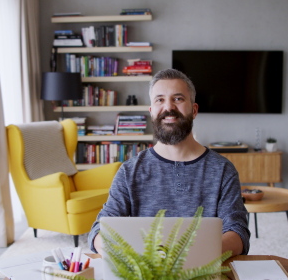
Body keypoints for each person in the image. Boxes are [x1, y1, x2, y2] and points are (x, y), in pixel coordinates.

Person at [88, 69, 250, 255]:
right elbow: (99, 232)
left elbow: (238, 233)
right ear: (151, 112)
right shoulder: (129, 171)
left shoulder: (223, 170)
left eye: (178, 99)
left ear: (194, 110)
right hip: (146, 276)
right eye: (160, 100)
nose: (169, 107)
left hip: (204, 274)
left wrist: (189, 256)